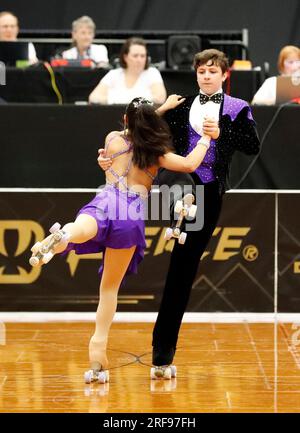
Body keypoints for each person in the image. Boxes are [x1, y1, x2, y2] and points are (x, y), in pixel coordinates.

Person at [98, 49, 260, 377]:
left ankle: (162, 352)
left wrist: (221, 133)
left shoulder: (237, 108)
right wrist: (110, 159)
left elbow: (252, 145)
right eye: (201, 71)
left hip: (210, 190)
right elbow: (141, 134)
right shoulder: (181, 104)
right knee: (177, 257)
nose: (206, 76)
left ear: (224, 75)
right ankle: (161, 350)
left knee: (184, 266)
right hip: (177, 184)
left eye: (212, 71)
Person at [29, 96, 212, 383]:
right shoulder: (156, 150)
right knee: (109, 288)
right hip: (131, 212)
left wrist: (154, 111)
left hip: (106, 199)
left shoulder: (113, 139)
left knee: (80, 227)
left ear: (125, 119)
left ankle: (62, 236)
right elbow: (189, 165)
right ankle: (98, 346)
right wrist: (206, 138)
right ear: (151, 121)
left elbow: (134, 126)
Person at [88, 37, 167, 105]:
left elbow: (160, 98)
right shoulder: (114, 74)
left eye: (143, 56)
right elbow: (94, 97)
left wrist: (116, 99)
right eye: (135, 56)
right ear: (125, 57)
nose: (139, 60)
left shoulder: (152, 73)